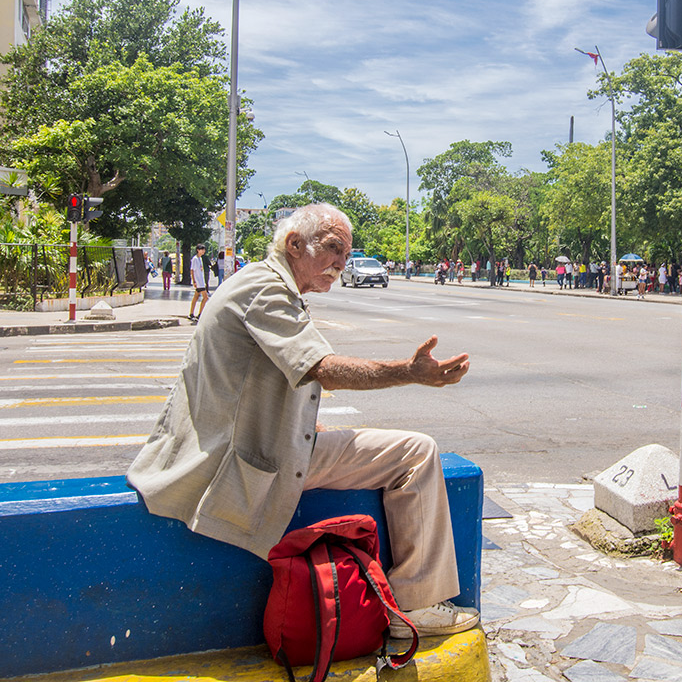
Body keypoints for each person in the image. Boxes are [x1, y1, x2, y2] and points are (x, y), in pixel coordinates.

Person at [128, 204, 480, 638]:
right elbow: (322, 367)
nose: (340, 264)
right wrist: (407, 372)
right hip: (235, 466)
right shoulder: (266, 289)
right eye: (333, 249)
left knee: (408, 450)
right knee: (416, 453)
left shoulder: (265, 283)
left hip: (254, 447)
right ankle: (416, 608)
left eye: (346, 256)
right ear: (295, 244)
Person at [188, 244, 209, 321]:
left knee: (196, 298)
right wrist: (194, 281)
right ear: (198, 250)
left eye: (204, 250)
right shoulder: (195, 259)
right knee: (205, 297)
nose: (203, 251)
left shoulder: (200, 259)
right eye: (202, 249)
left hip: (201, 281)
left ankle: (191, 313)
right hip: (198, 282)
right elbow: (192, 270)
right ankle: (200, 314)